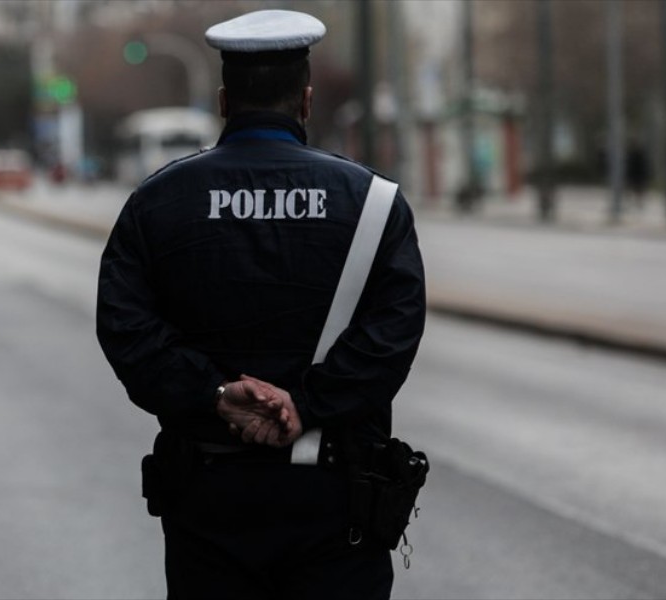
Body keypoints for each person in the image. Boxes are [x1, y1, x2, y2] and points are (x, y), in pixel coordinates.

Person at [96, 9, 427, 600]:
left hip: (209, 501)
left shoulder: (158, 201)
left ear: (225, 101)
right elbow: (394, 331)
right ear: (306, 100)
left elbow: (125, 328)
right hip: (338, 503)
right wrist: (308, 404)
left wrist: (215, 394)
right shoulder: (374, 203)